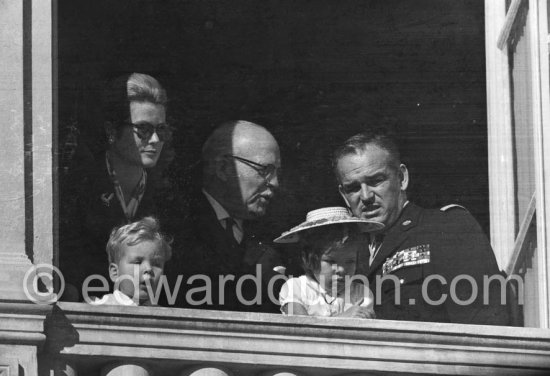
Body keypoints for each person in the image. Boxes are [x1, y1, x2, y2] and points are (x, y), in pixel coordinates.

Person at [332, 130, 509, 325]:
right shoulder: (346, 252)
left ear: (402, 178)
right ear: (343, 195)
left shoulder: (446, 228)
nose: (365, 196)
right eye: (353, 188)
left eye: (376, 181)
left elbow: (485, 327)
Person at [60, 72, 175, 301]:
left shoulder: (169, 199)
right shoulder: (78, 188)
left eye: (161, 130)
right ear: (111, 131)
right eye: (143, 129)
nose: (154, 140)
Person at [166, 120, 286, 311]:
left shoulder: (272, 235)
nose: (275, 183)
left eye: (277, 173)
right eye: (265, 171)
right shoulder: (175, 225)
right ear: (223, 168)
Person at [274, 207, 381, 318]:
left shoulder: (361, 294)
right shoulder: (295, 288)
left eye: (350, 261)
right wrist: (342, 320)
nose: (342, 270)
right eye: (331, 261)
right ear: (307, 259)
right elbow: (302, 327)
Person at [90, 216, 172, 306]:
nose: (148, 269)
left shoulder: (163, 315)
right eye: (138, 262)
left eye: (156, 264)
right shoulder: (99, 307)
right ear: (115, 272)